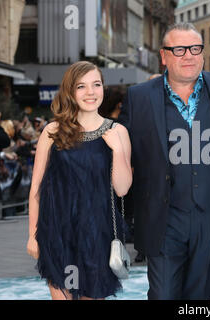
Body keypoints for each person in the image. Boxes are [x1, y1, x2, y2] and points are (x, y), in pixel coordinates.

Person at [118, 22, 210, 300]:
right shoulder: (138, 98)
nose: (188, 55)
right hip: (163, 219)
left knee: (200, 299)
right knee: (163, 295)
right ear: (164, 56)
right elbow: (121, 154)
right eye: (179, 49)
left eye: (195, 48)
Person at [26, 61, 132, 300]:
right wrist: (32, 234)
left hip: (98, 235)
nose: (90, 92)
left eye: (96, 84)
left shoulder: (118, 132)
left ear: (103, 88)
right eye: (81, 86)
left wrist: (117, 151)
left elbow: (123, 188)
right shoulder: (52, 131)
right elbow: (36, 189)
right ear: (70, 92)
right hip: (56, 231)